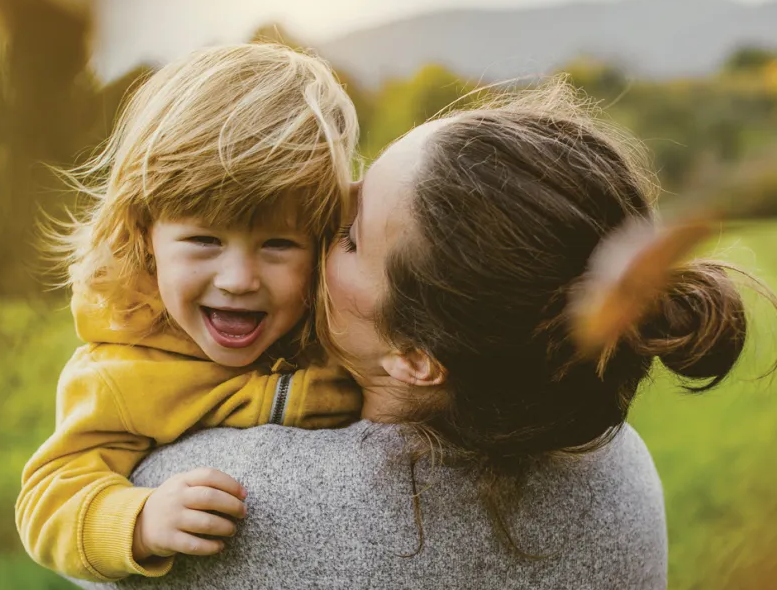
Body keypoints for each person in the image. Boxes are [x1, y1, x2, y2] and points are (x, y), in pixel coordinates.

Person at [74, 77, 763, 589]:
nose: (315, 229)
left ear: (415, 357)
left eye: (346, 236)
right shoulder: (614, 464)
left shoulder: (222, 495)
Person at [15, 43, 363, 583]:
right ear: (144, 236)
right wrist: (138, 520)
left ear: (320, 244)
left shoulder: (338, 328)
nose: (239, 279)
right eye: (204, 240)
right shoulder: (121, 372)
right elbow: (47, 497)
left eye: (278, 245)